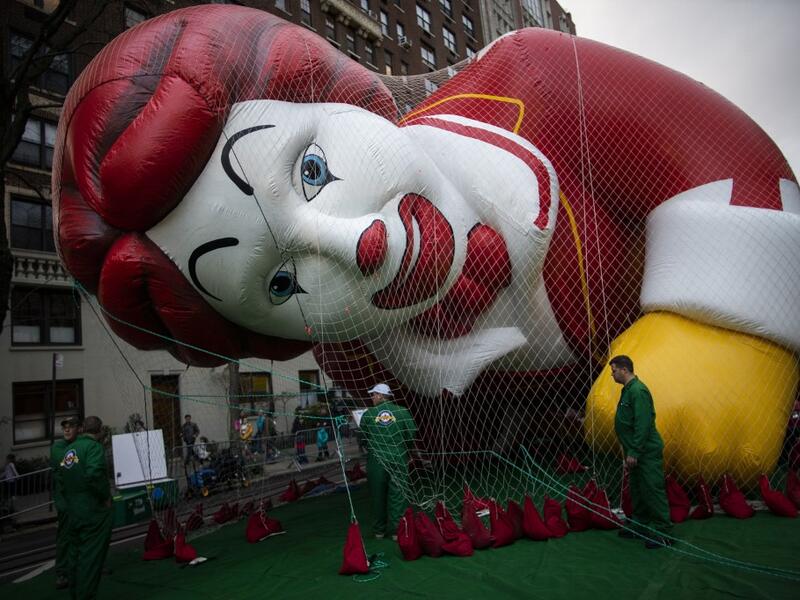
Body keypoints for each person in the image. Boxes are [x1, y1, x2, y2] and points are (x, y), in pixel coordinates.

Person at [610, 355, 673, 549]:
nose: (612, 375)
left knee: (652, 489)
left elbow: (643, 423)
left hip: (645, 451)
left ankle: (664, 533)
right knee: (637, 489)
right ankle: (641, 525)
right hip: (634, 451)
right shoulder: (627, 391)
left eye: (614, 371)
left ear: (624, 370)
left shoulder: (638, 391)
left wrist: (635, 451)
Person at [56, 415, 112, 598]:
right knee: (91, 556)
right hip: (91, 510)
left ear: (81, 429)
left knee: (74, 554)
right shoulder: (93, 448)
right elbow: (94, 475)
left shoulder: (69, 450)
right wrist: (105, 497)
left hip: (73, 510)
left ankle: (74, 591)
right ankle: (85, 595)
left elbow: (61, 480)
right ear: (100, 430)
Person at [359, 383, 418, 540]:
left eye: (373, 394)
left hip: (376, 461)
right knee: (398, 494)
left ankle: (379, 531)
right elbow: (411, 435)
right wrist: (406, 451)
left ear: (380, 395)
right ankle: (396, 532)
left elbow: (362, 438)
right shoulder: (403, 412)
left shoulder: (368, 414)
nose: (371, 397)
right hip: (398, 458)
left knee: (378, 495)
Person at [50, 416, 81, 590]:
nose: (67, 430)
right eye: (65, 428)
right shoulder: (58, 447)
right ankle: (62, 572)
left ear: (79, 428)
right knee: (65, 537)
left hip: (81, 500)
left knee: (84, 535)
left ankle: (84, 566)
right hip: (66, 501)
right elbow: (68, 465)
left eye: (71, 427)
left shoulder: (79, 445)